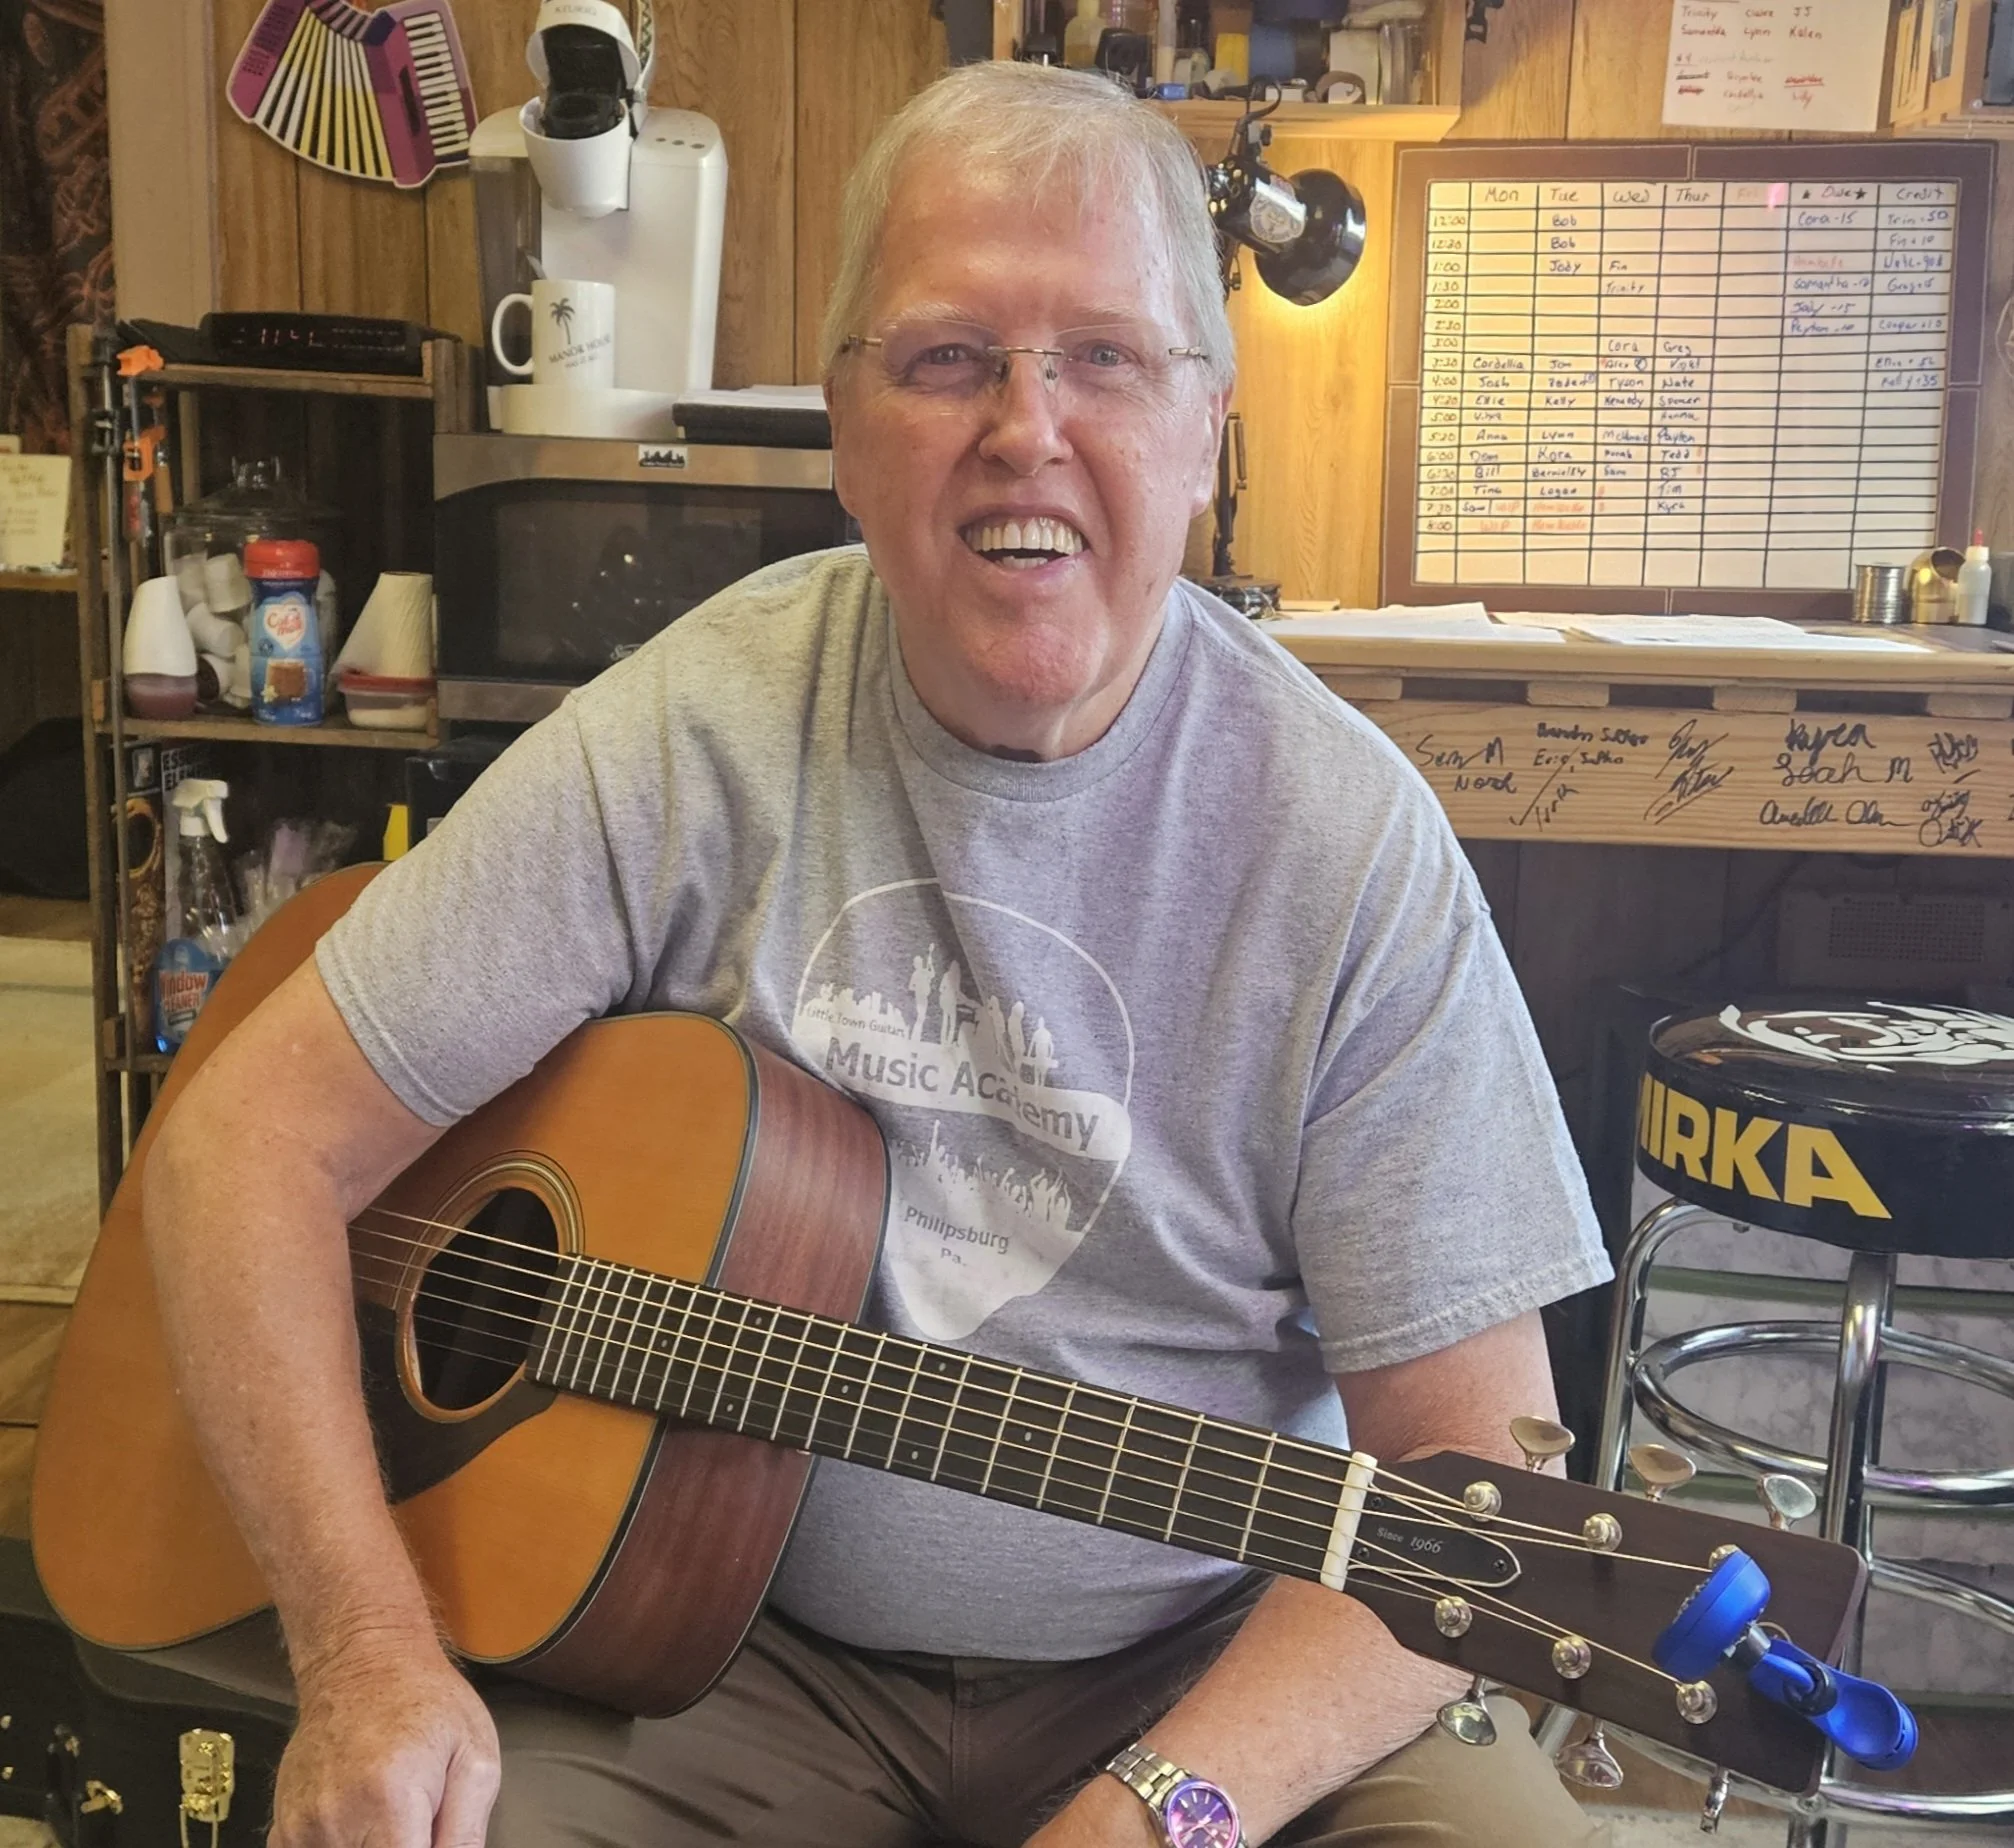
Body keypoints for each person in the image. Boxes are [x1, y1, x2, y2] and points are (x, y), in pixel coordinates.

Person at [143, 61, 1612, 1848]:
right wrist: (366, 1650)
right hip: (722, 1657)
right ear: (841, 428)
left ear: (1207, 428)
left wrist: (1157, 1812)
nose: (1025, 427)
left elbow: (1465, 1477)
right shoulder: (695, 726)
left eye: (1105, 358)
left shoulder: (1346, 842)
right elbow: (249, 1146)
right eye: (945, 358)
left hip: (1210, 1662)